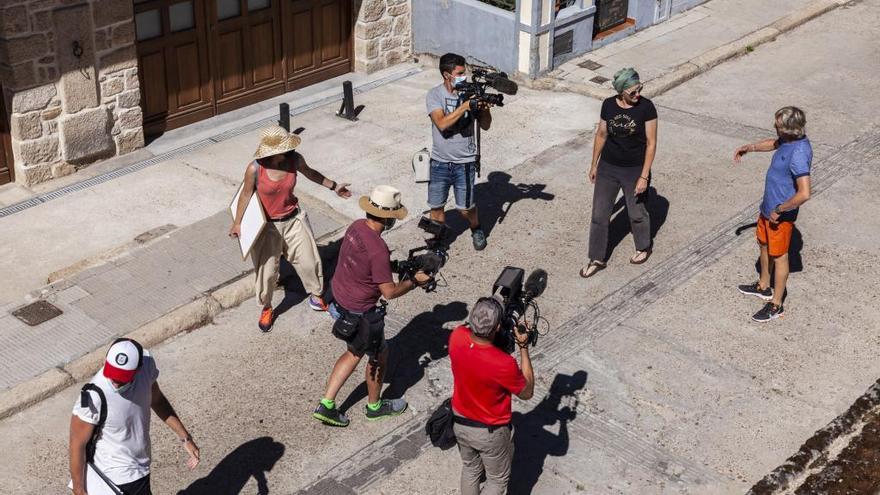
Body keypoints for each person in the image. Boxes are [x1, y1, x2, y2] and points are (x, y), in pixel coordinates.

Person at [312, 185, 431, 427]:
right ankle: (373, 407)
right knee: (377, 355)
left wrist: (394, 266)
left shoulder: (356, 227)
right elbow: (388, 292)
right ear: (388, 218)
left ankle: (327, 404)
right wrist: (414, 282)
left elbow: (363, 263)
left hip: (339, 300)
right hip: (360, 313)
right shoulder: (378, 248)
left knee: (354, 350)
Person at [229, 125, 352, 332]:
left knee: (309, 261)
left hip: (293, 219)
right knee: (267, 273)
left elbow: (311, 173)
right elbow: (245, 194)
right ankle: (267, 307)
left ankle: (315, 296)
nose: (288, 151)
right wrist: (238, 223)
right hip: (266, 227)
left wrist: (334, 186)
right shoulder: (255, 169)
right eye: (284, 148)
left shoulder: (295, 160)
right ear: (273, 152)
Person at [69, 339, 200, 495]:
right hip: (117, 476)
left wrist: (185, 438)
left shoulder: (147, 366)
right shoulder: (94, 396)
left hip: (141, 464)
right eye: (112, 373)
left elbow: (157, 400)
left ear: (138, 369)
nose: (115, 382)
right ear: (105, 361)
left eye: (122, 377)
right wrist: (79, 489)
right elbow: (76, 444)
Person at [448, 297, 535, 495]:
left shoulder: (456, 336)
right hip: (489, 431)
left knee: (470, 468)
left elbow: (470, 330)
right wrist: (523, 347)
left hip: (460, 421)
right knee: (497, 480)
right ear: (497, 328)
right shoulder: (503, 364)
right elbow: (527, 392)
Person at [733, 106, 812, 322]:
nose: (774, 128)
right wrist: (751, 148)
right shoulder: (788, 140)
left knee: (780, 256)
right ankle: (763, 285)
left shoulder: (799, 153)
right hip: (767, 209)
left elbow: (805, 193)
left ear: (789, 130)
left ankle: (776, 304)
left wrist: (780, 209)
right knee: (763, 244)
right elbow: (774, 143)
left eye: (777, 126)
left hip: (779, 215)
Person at [582, 67, 658, 278]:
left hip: (634, 169)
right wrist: (594, 164)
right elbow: (601, 134)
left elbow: (651, 144)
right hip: (608, 167)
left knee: (636, 213)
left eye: (639, 89)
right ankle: (596, 257)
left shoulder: (646, 108)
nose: (637, 95)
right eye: (632, 92)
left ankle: (643, 246)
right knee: (599, 215)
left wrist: (644, 176)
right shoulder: (608, 105)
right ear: (621, 92)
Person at [426, 52, 493, 251]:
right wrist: (465, 106)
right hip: (439, 161)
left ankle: (476, 228)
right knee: (436, 206)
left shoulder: (470, 94)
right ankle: (437, 240)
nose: (464, 76)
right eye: (460, 73)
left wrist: (485, 109)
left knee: (466, 207)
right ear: (447, 75)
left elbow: (486, 126)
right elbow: (442, 123)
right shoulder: (435, 95)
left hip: (465, 162)